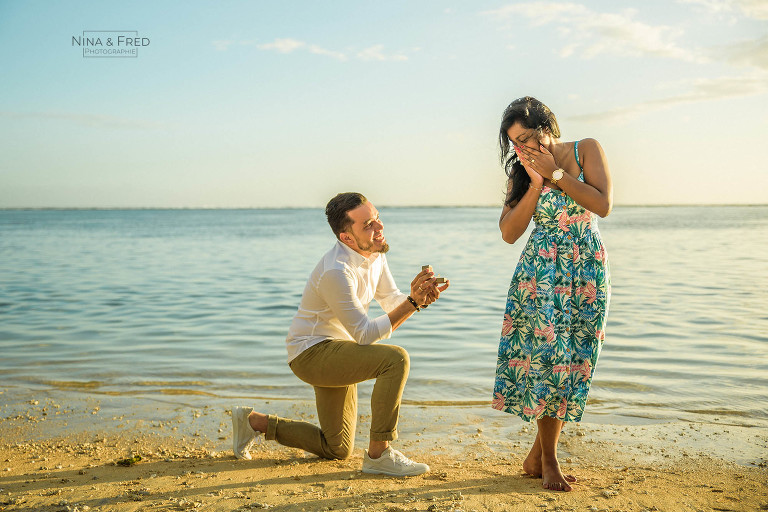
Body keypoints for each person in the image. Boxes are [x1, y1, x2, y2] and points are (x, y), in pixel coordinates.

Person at [232, 192, 449, 476]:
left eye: (378, 218)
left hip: (339, 350)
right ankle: (379, 454)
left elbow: (390, 300)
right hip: (311, 353)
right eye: (368, 224)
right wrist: (411, 304)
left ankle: (254, 422)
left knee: (337, 449)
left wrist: (415, 297)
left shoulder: (374, 255)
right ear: (346, 237)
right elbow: (364, 335)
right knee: (395, 360)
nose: (379, 228)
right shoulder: (337, 270)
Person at [492, 96, 612, 491]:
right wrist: (536, 182)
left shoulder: (586, 149)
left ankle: (535, 456)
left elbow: (602, 204)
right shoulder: (521, 173)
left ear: (547, 125)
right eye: (515, 142)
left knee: (574, 358)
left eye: (526, 136)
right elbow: (509, 233)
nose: (522, 147)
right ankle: (549, 460)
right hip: (541, 275)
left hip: (587, 271)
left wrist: (557, 173)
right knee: (548, 362)